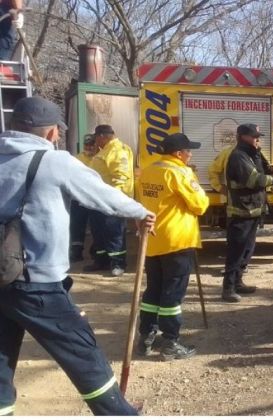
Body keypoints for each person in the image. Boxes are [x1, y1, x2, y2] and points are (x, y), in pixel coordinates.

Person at [0, 96, 155, 415]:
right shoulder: (55, 162)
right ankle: (118, 412)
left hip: (1, 276)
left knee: (1, 357)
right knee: (82, 352)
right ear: (52, 133)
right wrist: (140, 212)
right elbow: (103, 195)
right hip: (35, 282)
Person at [136, 133, 209, 361]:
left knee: (153, 290)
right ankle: (170, 341)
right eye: (188, 151)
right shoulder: (180, 172)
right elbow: (200, 205)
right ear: (178, 153)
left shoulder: (148, 170)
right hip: (177, 239)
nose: (190, 155)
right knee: (172, 293)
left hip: (152, 239)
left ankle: (146, 336)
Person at [221, 123, 273, 302]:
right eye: (254, 136)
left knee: (247, 251)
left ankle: (238, 282)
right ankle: (228, 288)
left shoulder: (252, 153)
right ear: (242, 136)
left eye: (258, 136)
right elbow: (253, 180)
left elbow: (262, 169)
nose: (257, 139)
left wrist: (270, 168)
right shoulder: (239, 156)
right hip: (241, 212)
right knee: (236, 252)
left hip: (253, 211)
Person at [87, 124, 135, 277]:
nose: (95, 142)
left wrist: (115, 200)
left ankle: (118, 263)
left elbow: (120, 176)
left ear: (102, 136)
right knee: (99, 231)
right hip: (99, 200)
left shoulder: (117, 150)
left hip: (110, 201)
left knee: (113, 232)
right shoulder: (105, 150)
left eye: (96, 139)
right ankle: (101, 260)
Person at [69, 134, 98, 262]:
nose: (89, 147)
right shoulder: (77, 158)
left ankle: (96, 251)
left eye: (91, 145)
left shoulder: (100, 158)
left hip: (95, 197)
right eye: (86, 145)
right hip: (79, 196)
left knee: (96, 225)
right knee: (77, 225)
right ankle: (76, 251)